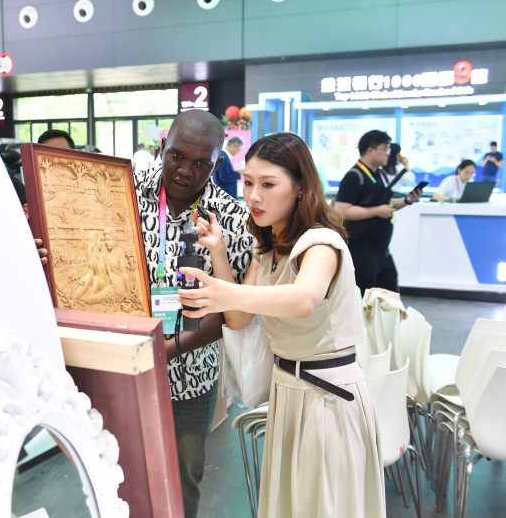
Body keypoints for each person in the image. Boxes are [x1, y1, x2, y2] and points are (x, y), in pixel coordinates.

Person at [178, 132, 386, 518]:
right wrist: (219, 251)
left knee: (323, 506)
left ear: (301, 186)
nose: (254, 196)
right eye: (248, 183)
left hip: (327, 398)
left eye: (268, 184)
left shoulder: (321, 243)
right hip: (287, 391)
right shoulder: (269, 247)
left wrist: (223, 293)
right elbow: (238, 317)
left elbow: (303, 300)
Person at [134, 109, 253, 518]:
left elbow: (233, 311)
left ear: (217, 164)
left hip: (191, 376)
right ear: (162, 146)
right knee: (123, 471)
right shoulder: (126, 193)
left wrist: (166, 349)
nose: (185, 170)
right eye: (177, 156)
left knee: (182, 479)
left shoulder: (232, 220)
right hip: (124, 368)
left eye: (201, 163)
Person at [335, 130, 422, 294]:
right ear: (370, 150)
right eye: (385, 149)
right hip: (361, 252)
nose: (389, 153)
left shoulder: (380, 174)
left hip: (382, 251)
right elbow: (342, 211)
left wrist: (407, 201)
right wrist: (376, 211)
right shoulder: (354, 176)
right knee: (364, 300)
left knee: (390, 298)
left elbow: (386, 205)